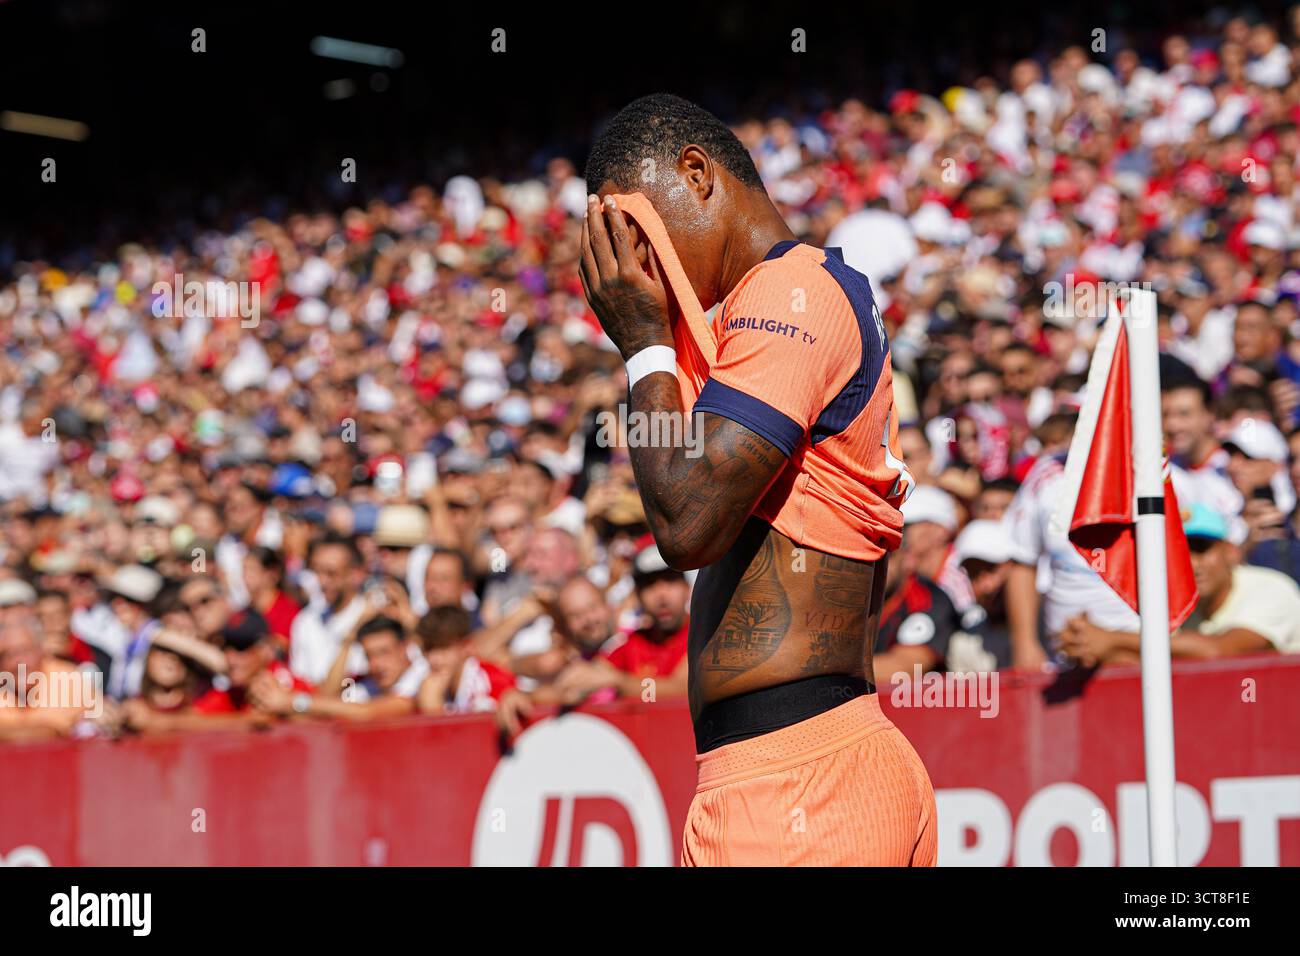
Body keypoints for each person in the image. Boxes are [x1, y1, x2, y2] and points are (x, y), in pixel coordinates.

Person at [581, 93, 934, 866]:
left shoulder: (791, 294)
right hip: (782, 772)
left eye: (636, 238)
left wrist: (643, 348)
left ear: (698, 175)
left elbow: (687, 524)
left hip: (803, 780)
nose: (635, 270)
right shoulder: (753, 311)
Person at [1059, 504, 1300, 663]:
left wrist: (1111, 640)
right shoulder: (1177, 603)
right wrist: (1087, 646)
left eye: (1201, 549)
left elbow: (1220, 652)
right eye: (1180, 553)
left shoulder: (1271, 588)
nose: (1192, 564)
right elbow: (1155, 662)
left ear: (1231, 552)